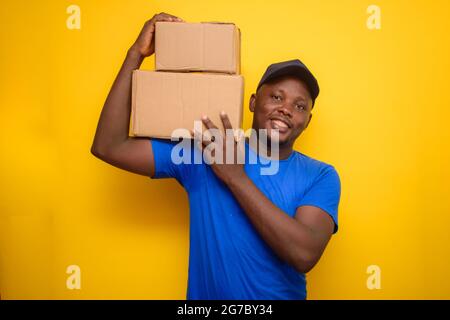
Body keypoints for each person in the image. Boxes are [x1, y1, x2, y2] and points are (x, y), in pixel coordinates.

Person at [91, 12, 341, 300]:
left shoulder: (321, 175)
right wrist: (135, 54)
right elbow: (109, 146)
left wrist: (236, 178)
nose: (286, 108)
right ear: (252, 101)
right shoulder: (206, 152)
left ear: (307, 121)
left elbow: (304, 254)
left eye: (300, 106)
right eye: (276, 97)